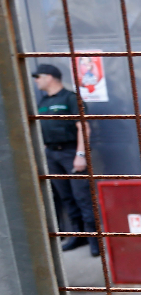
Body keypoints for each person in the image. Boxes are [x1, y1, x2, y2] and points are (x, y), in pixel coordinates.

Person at [33, 64, 98, 256]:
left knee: (82, 197)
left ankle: (94, 239)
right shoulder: (43, 101)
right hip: (52, 155)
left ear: (50, 77)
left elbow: (83, 128)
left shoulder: (71, 98)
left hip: (71, 153)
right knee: (66, 197)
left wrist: (80, 155)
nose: (36, 81)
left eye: (38, 77)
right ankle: (77, 236)